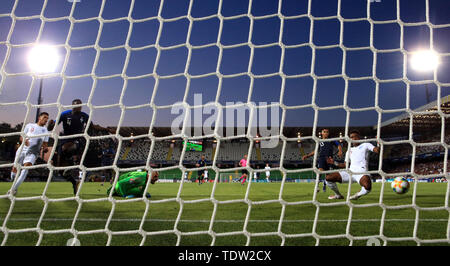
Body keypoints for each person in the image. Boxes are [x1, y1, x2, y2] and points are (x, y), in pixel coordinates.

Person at [49, 99, 109, 195]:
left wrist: (106, 129)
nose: (77, 107)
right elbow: (53, 125)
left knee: (68, 148)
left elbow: (93, 126)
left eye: (79, 105)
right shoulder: (65, 114)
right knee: (58, 169)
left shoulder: (84, 116)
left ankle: (72, 163)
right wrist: (50, 124)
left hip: (78, 139)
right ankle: (74, 182)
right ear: (72, 106)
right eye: (75, 105)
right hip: (65, 139)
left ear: (81, 106)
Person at [325, 130, 380, 200]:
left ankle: (357, 195)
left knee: (367, 187)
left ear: (358, 138)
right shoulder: (349, 150)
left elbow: (377, 150)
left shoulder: (366, 145)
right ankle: (338, 195)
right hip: (350, 172)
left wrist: (379, 143)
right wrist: (334, 163)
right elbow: (345, 165)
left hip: (361, 172)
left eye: (354, 137)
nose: (352, 139)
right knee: (328, 178)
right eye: (351, 137)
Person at [8, 112, 50, 196]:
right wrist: (25, 140)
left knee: (25, 170)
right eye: (44, 117)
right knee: (14, 172)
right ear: (39, 117)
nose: (46, 120)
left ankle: (12, 190)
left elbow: (45, 145)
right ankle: (13, 181)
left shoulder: (46, 131)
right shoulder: (29, 126)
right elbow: (21, 137)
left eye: (47, 118)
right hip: (22, 150)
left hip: (33, 152)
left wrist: (45, 149)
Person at [302, 128, 343, 192]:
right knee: (320, 171)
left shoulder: (331, 140)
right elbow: (315, 151)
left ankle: (324, 185)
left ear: (328, 133)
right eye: (324, 132)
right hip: (321, 158)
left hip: (329, 159)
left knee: (328, 175)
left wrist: (340, 151)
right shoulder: (319, 141)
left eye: (327, 132)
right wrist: (307, 156)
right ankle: (317, 186)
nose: (326, 133)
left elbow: (339, 145)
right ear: (322, 133)